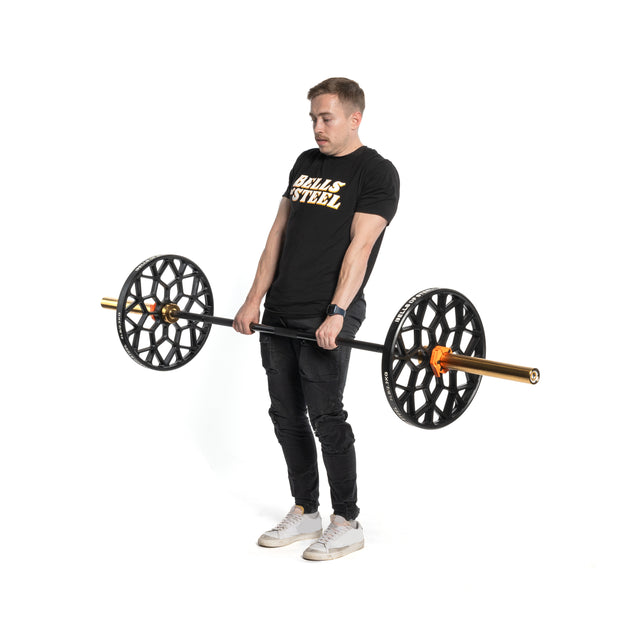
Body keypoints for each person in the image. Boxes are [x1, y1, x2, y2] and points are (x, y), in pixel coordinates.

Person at [233, 77, 399, 561]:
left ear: (354, 117)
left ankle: (346, 520)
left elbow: (361, 247)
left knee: (326, 415)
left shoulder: (376, 172)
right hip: (282, 307)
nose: (317, 127)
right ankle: (306, 509)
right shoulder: (305, 163)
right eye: (312, 118)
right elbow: (277, 234)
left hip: (327, 313)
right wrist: (252, 300)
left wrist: (338, 312)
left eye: (326, 118)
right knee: (285, 414)